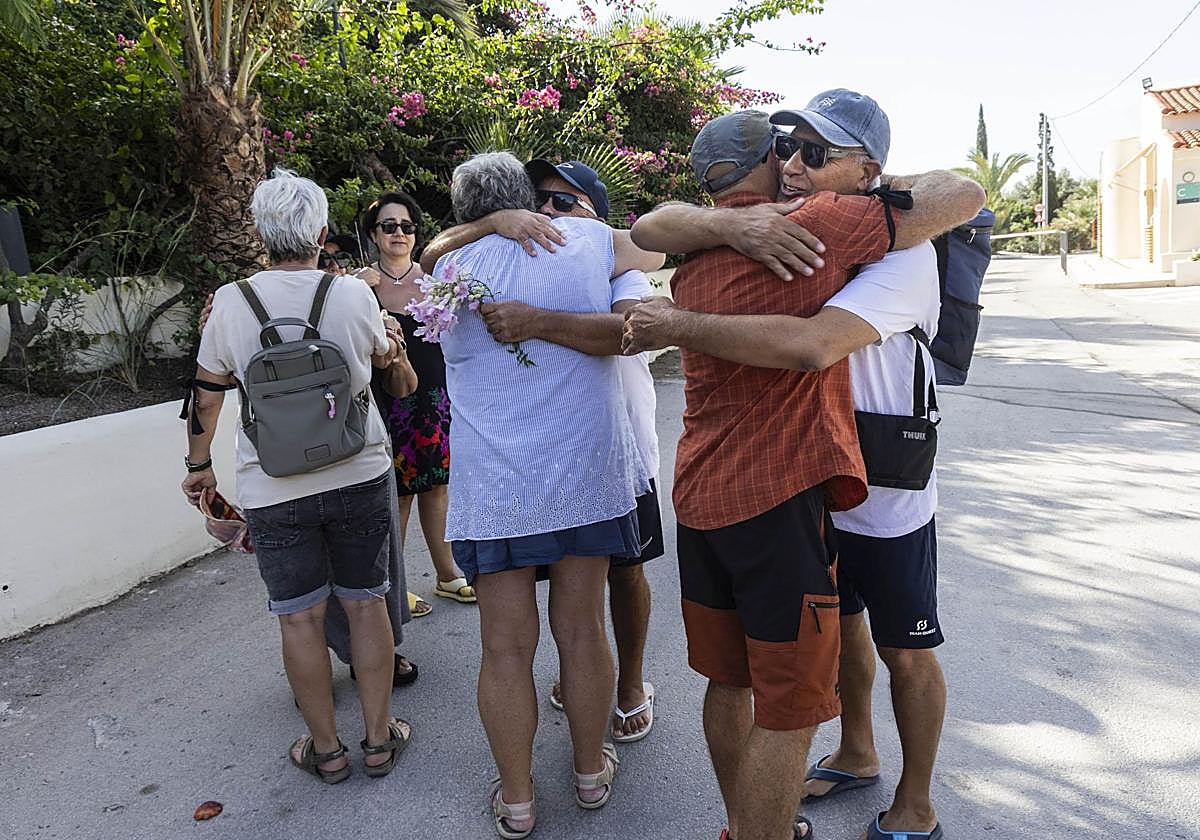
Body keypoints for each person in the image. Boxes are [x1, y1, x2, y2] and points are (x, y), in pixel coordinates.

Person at [625, 95, 985, 840]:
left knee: (902, 650)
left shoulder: (885, 244)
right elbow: (648, 225)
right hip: (808, 486)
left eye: (816, 154)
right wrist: (731, 221)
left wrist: (686, 297)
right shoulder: (785, 229)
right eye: (787, 148)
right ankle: (854, 755)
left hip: (879, 483)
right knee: (830, 646)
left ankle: (914, 805)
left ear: (870, 170)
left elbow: (814, 343)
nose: (794, 164)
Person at [429, 151, 653, 838]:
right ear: (528, 198)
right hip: (583, 474)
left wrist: (476, 230)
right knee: (582, 631)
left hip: (496, 486)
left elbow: (415, 260)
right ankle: (589, 775)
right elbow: (661, 241)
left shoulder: (445, 272)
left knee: (503, 646)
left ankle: (519, 801)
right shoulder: (588, 241)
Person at [180, 168, 413, 783]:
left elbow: (206, 397)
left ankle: (328, 752)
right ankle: (379, 740)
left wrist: (198, 467)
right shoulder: (351, 294)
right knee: (367, 607)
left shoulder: (230, 303)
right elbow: (385, 360)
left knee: (299, 616)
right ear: (321, 230)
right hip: (358, 472)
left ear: (260, 232)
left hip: (272, 487)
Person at [360, 191, 477, 613]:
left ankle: (447, 574)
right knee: (400, 493)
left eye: (406, 226)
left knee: (439, 487)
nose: (399, 234)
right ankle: (396, 583)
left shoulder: (433, 279)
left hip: (436, 397)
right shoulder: (360, 286)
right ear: (373, 234)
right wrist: (357, 292)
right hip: (391, 401)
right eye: (389, 226)